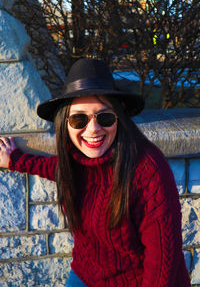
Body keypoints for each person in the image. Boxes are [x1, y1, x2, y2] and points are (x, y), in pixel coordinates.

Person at [0, 58, 191, 286]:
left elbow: (161, 262)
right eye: (79, 119)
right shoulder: (75, 159)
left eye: (105, 117)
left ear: (118, 119)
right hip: (85, 272)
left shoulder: (147, 169)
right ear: (65, 123)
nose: (93, 129)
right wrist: (15, 159)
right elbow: (58, 169)